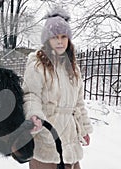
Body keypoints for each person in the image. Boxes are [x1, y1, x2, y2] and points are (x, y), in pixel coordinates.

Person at [22, 7, 93, 169]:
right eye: (55, 37)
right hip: (47, 138)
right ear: (47, 40)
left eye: (63, 37)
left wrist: (83, 129)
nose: (60, 41)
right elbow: (30, 95)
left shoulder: (73, 69)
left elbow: (78, 103)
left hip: (70, 139)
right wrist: (34, 116)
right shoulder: (37, 64)